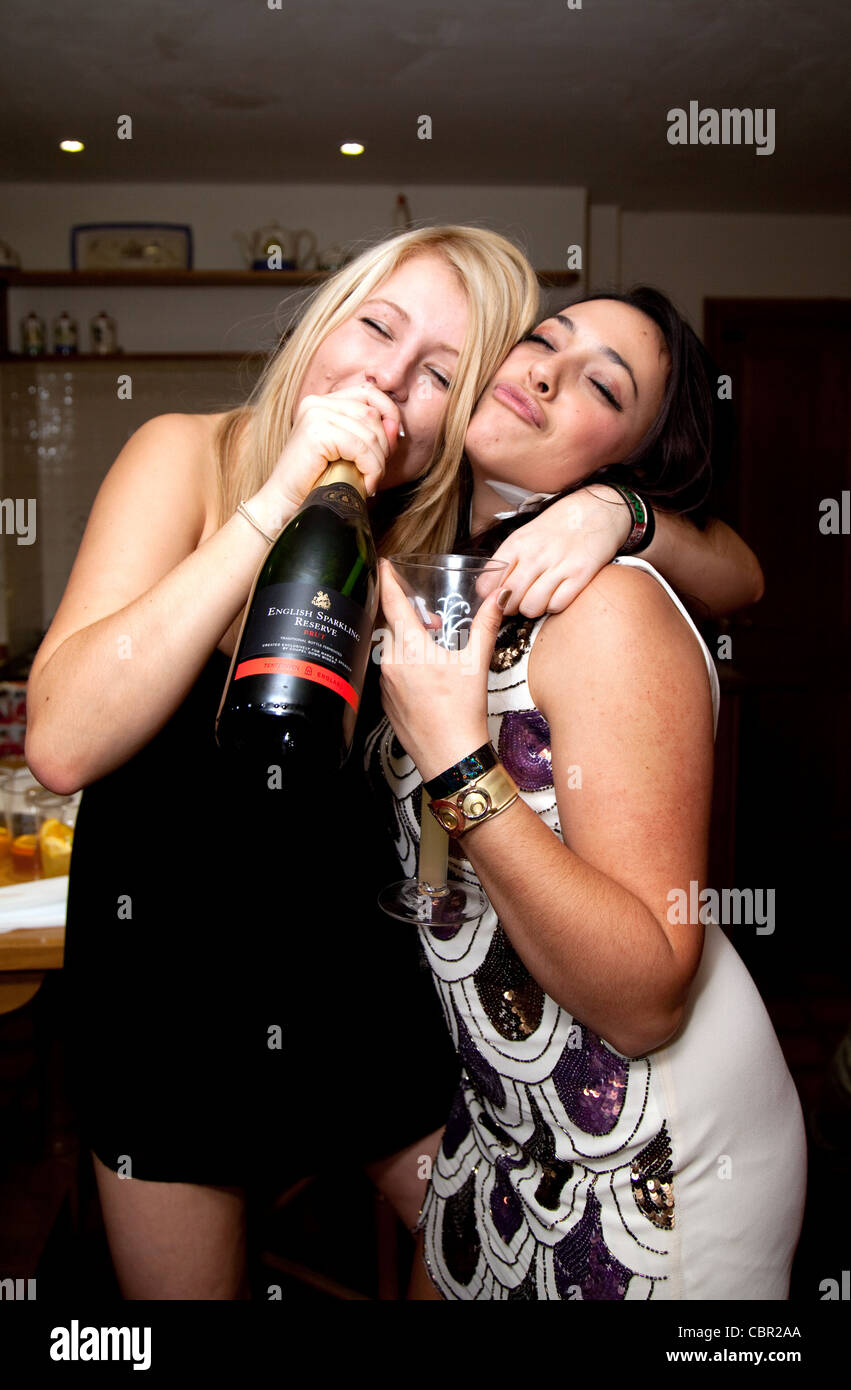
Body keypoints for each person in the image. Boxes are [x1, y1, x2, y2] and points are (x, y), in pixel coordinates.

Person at [25, 227, 761, 1301]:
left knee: (483, 1260)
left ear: (458, 419)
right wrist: (277, 498)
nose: (386, 376)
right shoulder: (186, 452)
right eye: (376, 326)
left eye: (439, 376)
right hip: (162, 991)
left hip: (354, 987)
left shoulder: (431, 529)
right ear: (329, 316)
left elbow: (739, 573)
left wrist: (623, 508)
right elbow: (61, 741)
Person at [372, 287, 807, 1300]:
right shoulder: (443, 570)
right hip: (506, 1120)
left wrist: (456, 762)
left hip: (653, 1150)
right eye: (540, 342)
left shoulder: (606, 605)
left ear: (616, 463)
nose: (541, 373)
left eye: (600, 386)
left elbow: (648, 993)